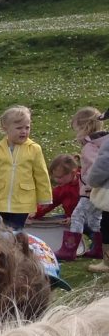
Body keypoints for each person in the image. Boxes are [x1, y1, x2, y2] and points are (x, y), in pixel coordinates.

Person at [0, 105, 52, 231]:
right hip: (2, 201)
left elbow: (41, 174)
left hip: (24, 202)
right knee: (1, 232)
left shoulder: (34, 149)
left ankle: (16, 243)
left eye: (27, 127)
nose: (24, 131)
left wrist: (44, 198)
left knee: (16, 231)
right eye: (19, 128)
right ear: (6, 128)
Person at [71, 106, 107, 260]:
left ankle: (71, 248)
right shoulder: (103, 142)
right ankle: (99, 248)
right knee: (94, 219)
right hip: (103, 190)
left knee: (77, 215)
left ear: (83, 127)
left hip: (90, 190)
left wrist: (90, 186)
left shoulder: (89, 147)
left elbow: (95, 167)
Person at [32, 153, 83, 259]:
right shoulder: (61, 189)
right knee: (53, 221)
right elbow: (48, 204)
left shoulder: (83, 183)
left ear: (73, 173)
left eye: (60, 177)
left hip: (87, 218)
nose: (57, 180)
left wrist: (74, 217)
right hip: (69, 218)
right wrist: (33, 213)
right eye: (55, 177)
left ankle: (95, 247)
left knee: (96, 228)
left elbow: (90, 206)